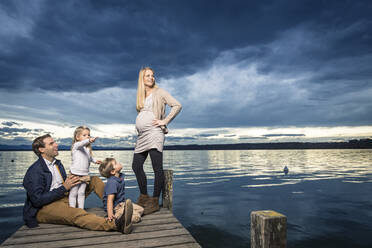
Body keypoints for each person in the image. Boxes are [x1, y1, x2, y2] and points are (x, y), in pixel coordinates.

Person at [23, 134, 133, 234]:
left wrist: (76, 180)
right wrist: (64, 188)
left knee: (93, 180)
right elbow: (37, 200)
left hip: (64, 196)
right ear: (41, 149)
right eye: (51, 143)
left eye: (55, 142)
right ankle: (116, 224)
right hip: (45, 207)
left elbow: (62, 184)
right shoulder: (35, 171)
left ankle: (117, 207)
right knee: (76, 214)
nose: (56, 144)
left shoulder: (57, 164)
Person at [132, 67, 182, 214]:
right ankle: (143, 197)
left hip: (155, 133)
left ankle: (154, 201)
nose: (151, 78)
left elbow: (177, 105)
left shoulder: (160, 92)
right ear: (142, 78)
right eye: (148, 75)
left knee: (156, 167)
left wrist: (164, 121)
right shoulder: (141, 96)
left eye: (152, 76)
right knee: (136, 165)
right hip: (142, 136)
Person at [99, 158, 144, 223]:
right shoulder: (112, 182)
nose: (118, 163)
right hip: (116, 208)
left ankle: (125, 214)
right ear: (112, 171)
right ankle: (118, 216)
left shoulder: (119, 177)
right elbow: (109, 200)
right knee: (136, 217)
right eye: (116, 163)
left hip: (122, 204)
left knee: (141, 209)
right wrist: (110, 214)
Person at [69, 126, 101, 209]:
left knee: (82, 192)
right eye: (84, 135)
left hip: (84, 174)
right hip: (75, 173)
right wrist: (89, 140)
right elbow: (81, 143)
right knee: (73, 192)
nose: (88, 136)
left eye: (88, 135)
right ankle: (72, 209)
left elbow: (89, 157)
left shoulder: (87, 149)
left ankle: (81, 209)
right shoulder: (76, 146)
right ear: (77, 137)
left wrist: (95, 161)